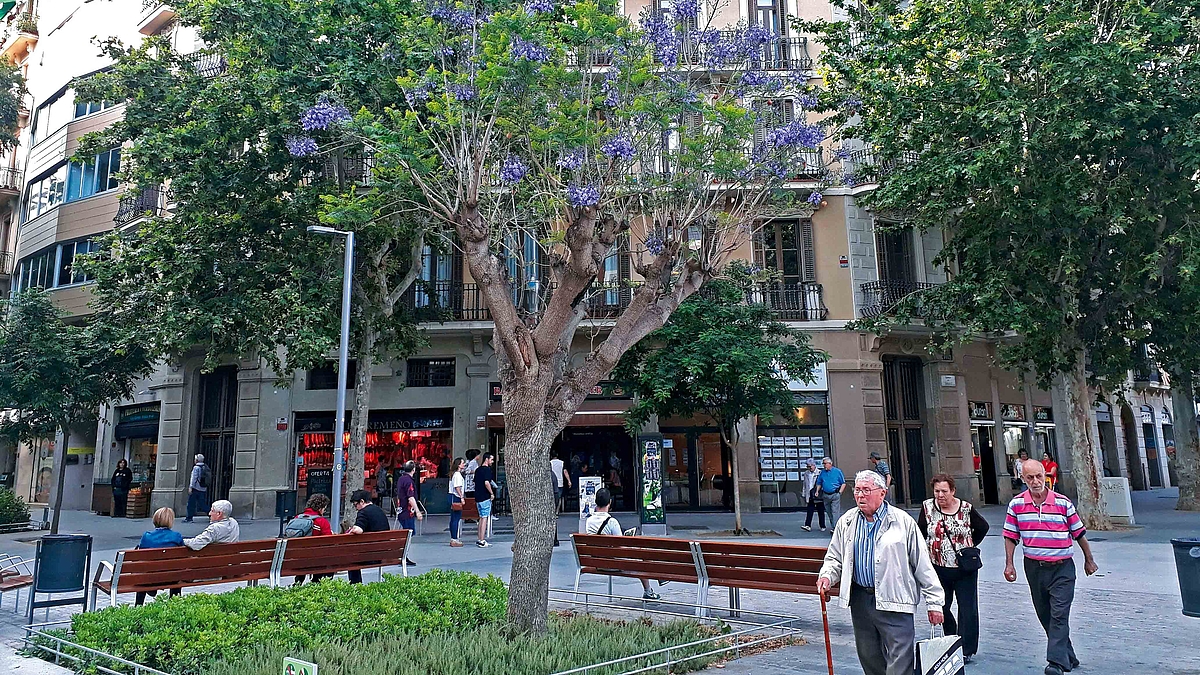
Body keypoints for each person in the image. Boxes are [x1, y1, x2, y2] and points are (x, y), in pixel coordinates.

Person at [817, 471, 944, 675]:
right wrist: (827, 576)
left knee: (900, 659)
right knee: (869, 657)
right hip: (860, 600)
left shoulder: (902, 522)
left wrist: (935, 602)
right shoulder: (847, 521)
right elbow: (835, 557)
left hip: (895, 598)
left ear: (882, 493)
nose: (860, 495)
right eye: (857, 490)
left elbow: (922, 564)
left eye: (866, 490)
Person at [1003, 459, 1099, 675]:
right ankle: (1068, 656)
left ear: (1045, 475)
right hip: (1034, 568)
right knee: (1044, 613)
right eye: (1030, 478)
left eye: (1039, 476)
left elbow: (1079, 534)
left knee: (1059, 613)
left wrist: (1089, 559)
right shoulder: (1016, 504)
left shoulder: (1063, 503)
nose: (1035, 481)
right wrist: (1009, 564)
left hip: (1062, 567)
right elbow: (1010, 536)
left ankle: (1056, 663)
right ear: (1023, 479)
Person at [917, 474, 990, 663]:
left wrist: (969, 547)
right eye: (937, 491)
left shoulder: (966, 508)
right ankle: (951, 638)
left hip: (964, 568)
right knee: (942, 605)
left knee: (968, 608)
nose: (940, 495)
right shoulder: (927, 508)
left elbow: (982, 527)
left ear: (953, 491)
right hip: (938, 567)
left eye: (944, 491)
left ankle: (966, 649)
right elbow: (920, 533)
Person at [587, 488, 660, 600]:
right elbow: (621, 547)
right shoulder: (612, 522)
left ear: (596, 502)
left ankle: (652, 586)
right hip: (614, 564)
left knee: (640, 553)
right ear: (610, 502)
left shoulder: (589, 521)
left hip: (597, 562)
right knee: (642, 554)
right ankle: (650, 589)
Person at [135, 507, 184, 606]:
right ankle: (175, 605)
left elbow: (141, 556)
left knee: (144, 571)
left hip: (149, 578)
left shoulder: (147, 536)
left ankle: (138, 605)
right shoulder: (176, 536)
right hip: (171, 578)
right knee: (176, 571)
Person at [347, 488, 391, 584]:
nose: (356, 508)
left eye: (356, 505)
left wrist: (352, 529)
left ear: (362, 501)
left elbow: (359, 530)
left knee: (350, 559)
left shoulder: (363, 512)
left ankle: (356, 585)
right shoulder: (379, 510)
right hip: (384, 553)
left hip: (371, 556)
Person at [291, 493, 334, 586]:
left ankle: (298, 582)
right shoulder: (322, 521)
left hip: (297, 559)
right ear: (320, 508)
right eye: (324, 508)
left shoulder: (297, 518)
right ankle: (316, 583)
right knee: (326, 559)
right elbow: (329, 542)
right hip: (316, 560)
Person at [394, 460, 422, 566]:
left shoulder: (401, 479)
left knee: (407, 533)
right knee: (409, 534)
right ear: (413, 470)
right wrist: (418, 511)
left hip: (402, 509)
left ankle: (403, 555)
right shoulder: (409, 481)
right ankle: (404, 556)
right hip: (408, 511)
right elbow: (411, 497)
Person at [474, 452, 497, 548]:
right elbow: (487, 483)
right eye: (491, 459)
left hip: (478, 497)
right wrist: (491, 493)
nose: (492, 461)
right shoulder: (487, 470)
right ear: (486, 459)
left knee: (481, 517)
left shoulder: (478, 470)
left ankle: (480, 538)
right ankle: (482, 540)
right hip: (485, 497)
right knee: (484, 518)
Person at [818, 457, 847, 526]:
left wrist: (840, 492)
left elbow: (843, 483)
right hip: (825, 494)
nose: (824, 465)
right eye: (823, 464)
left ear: (830, 463)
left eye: (825, 463)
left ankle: (835, 527)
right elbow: (819, 482)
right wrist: (817, 491)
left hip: (835, 494)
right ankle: (833, 525)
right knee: (828, 511)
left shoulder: (837, 471)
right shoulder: (822, 472)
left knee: (835, 511)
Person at [801, 459, 825, 532]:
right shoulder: (806, 473)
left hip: (818, 494)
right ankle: (808, 525)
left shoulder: (820, 473)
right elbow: (805, 484)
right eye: (808, 466)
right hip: (810, 494)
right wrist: (804, 494)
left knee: (820, 510)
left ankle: (822, 525)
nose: (810, 467)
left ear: (814, 465)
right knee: (809, 510)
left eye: (811, 466)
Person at [185, 454, 210, 523]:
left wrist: (191, 487)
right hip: (203, 488)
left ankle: (189, 518)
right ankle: (210, 513)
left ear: (196, 460)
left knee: (191, 503)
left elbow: (194, 478)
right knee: (202, 504)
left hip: (196, 488)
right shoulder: (205, 467)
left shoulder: (196, 468)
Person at [448, 457, 465, 547]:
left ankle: (453, 538)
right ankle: (454, 538)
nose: (464, 464)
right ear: (458, 465)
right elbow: (457, 487)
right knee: (456, 518)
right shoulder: (457, 475)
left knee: (453, 518)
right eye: (462, 463)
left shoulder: (454, 474)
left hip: (452, 496)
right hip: (456, 496)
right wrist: (462, 497)